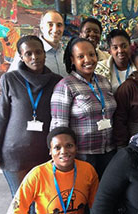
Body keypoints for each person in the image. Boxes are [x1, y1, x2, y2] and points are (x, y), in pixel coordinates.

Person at [0, 35, 62, 198]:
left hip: (45, 155)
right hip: (14, 156)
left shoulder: (57, 81)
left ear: (44, 54)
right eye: (28, 53)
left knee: (43, 202)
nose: (35, 57)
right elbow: (0, 117)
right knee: (21, 202)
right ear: (21, 56)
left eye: (38, 52)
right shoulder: (9, 80)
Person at [50, 37, 117, 179]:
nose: (88, 60)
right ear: (72, 60)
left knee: (105, 197)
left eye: (91, 54)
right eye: (81, 56)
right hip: (83, 154)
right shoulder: (65, 86)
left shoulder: (104, 81)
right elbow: (59, 127)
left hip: (109, 151)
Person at [8, 127, 99, 214]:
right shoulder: (37, 175)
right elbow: (16, 210)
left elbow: (97, 206)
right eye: (57, 147)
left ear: (76, 148)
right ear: (50, 151)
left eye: (69, 145)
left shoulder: (88, 170)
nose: (64, 151)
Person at [8, 10, 67, 77]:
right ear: (41, 27)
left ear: (63, 28)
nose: (55, 29)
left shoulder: (65, 53)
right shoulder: (28, 52)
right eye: (50, 24)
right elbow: (10, 81)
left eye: (59, 25)